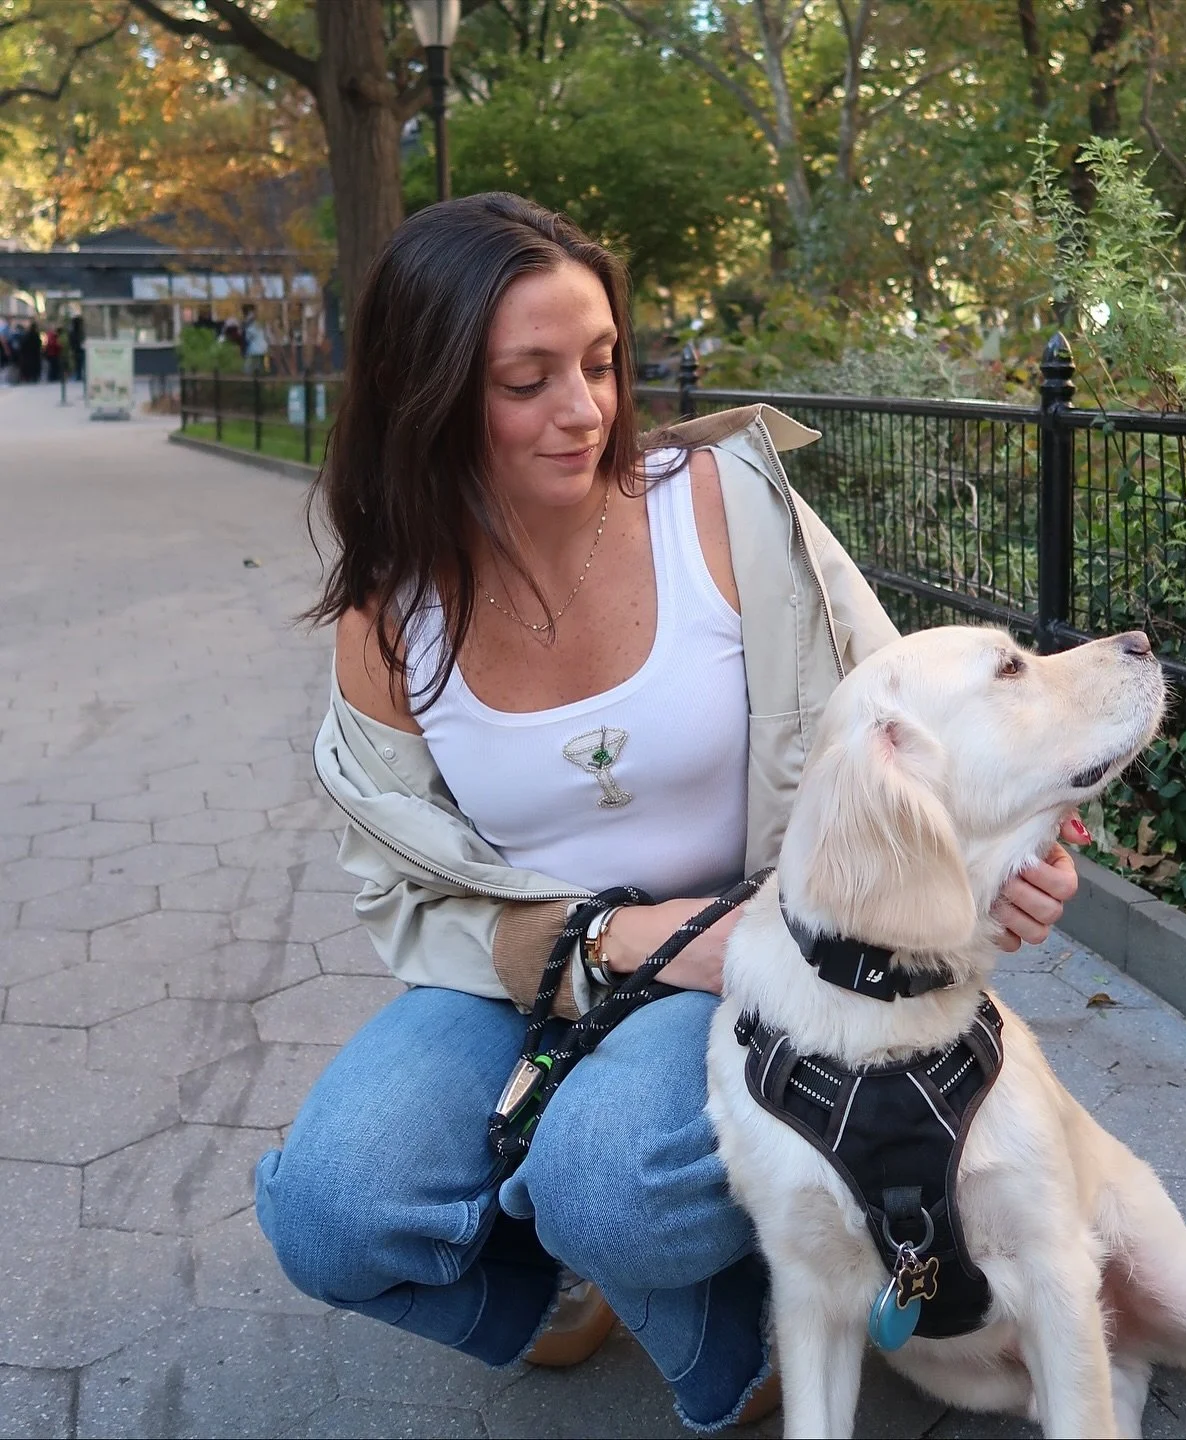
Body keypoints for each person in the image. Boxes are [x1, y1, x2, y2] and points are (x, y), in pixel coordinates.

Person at [254, 193, 1082, 1431]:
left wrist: (996, 857)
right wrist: (600, 942)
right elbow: (398, 889)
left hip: (766, 959)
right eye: (523, 381)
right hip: (529, 977)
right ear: (424, 393)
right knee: (328, 1211)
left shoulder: (723, 504)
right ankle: (567, 1292)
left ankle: (723, 1332)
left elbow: (902, 713)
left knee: (611, 1184)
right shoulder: (389, 616)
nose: (583, 411)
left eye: (598, 363)